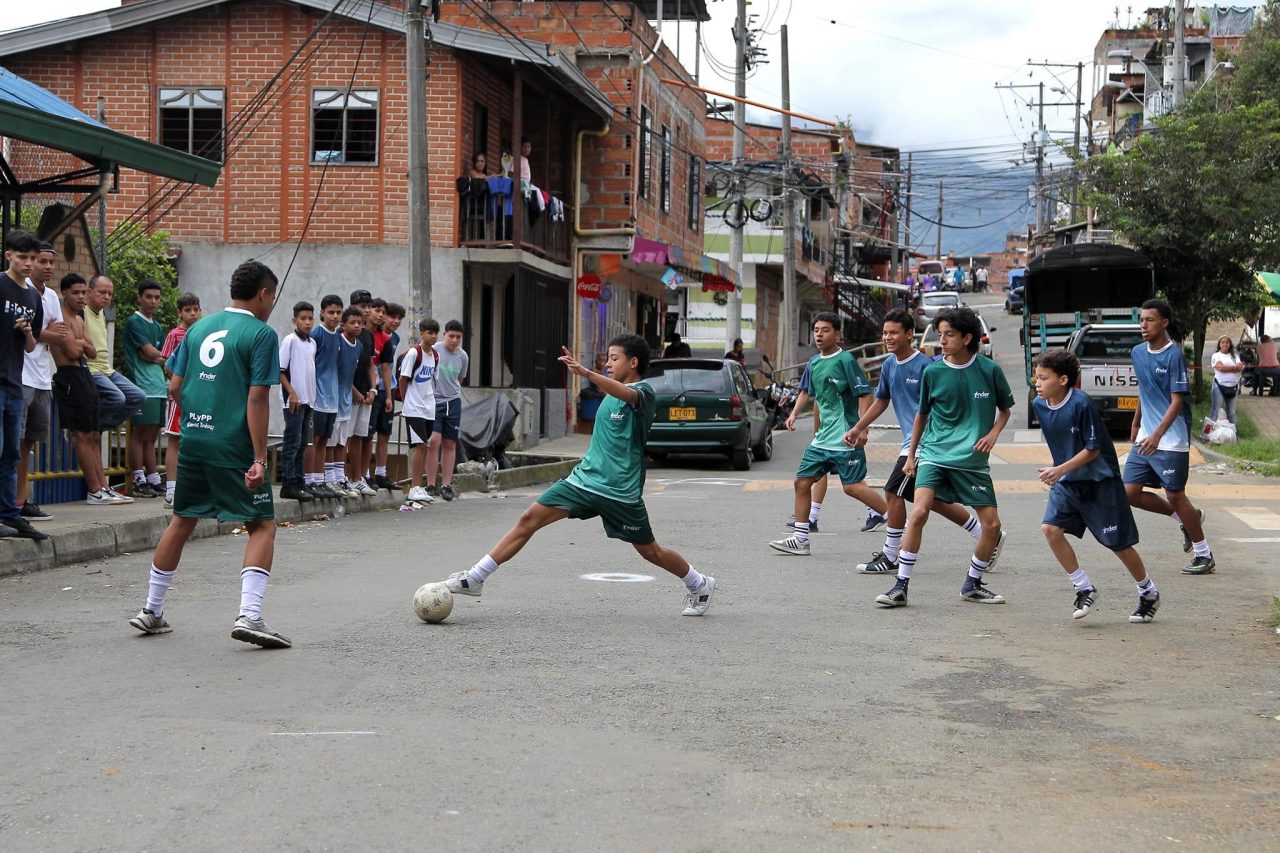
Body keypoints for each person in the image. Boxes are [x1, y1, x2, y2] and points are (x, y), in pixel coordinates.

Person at [437, 336, 716, 617]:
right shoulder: (609, 395)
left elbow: (627, 394)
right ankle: (476, 577)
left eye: (614, 358)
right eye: (607, 358)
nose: (607, 363)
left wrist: (586, 373)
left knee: (650, 552)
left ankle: (699, 583)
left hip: (619, 491)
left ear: (633, 362)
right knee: (528, 519)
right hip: (583, 481)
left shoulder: (644, 394)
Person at [128, 259, 291, 648]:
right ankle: (249, 615)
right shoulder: (261, 334)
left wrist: (200, 416)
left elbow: (175, 387)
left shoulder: (198, 328)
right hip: (232, 444)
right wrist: (258, 456)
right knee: (261, 524)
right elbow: (256, 397)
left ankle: (151, 610)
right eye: (273, 296)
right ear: (264, 293)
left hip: (194, 439)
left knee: (182, 520)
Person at [874, 307, 1014, 607]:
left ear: (967, 337)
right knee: (920, 512)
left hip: (972, 461)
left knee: (992, 526)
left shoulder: (989, 371)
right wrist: (911, 456)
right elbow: (921, 417)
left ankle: (972, 584)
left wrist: (992, 434)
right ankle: (900, 586)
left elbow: (1005, 411)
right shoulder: (933, 371)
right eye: (941, 334)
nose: (942, 340)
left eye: (949, 335)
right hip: (934, 455)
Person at [844, 309, 994, 575]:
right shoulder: (890, 364)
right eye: (885, 332)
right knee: (927, 499)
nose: (887, 337)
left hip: (929, 443)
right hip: (912, 442)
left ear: (909, 334)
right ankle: (985, 534)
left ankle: (891, 556)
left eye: (893, 332)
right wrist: (858, 426)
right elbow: (881, 400)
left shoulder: (926, 366)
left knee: (893, 491)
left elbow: (940, 406)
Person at [1033, 350, 1161, 623]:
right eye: (1037, 377)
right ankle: (1084, 587)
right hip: (1068, 482)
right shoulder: (1039, 405)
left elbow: (1092, 450)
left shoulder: (1081, 404)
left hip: (1099, 481)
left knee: (1118, 544)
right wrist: (1061, 471)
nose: (1038, 383)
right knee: (1050, 529)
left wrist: (1059, 469)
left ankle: (1148, 592)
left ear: (1064, 379)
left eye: (1044, 378)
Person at [768, 312, 887, 557]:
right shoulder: (813, 363)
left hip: (846, 437)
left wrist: (863, 427)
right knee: (801, 482)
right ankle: (801, 539)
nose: (819, 335)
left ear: (837, 334)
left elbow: (865, 394)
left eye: (825, 330)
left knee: (852, 487)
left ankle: (898, 522)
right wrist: (792, 414)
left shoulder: (846, 361)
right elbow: (805, 392)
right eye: (816, 330)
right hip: (822, 439)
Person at [1124, 299, 1215, 575]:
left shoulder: (1173, 355)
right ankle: (1189, 519)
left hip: (1171, 440)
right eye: (1141, 320)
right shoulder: (1138, 352)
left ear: (1164, 323)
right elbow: (1144, 390)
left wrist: (1157, 435)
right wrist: (1137, 421)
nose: (1143, 325)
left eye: (1149, 320)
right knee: (1129, 493)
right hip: (1146, 438)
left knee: (1175, 495)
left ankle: (1204, 554)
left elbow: (1176, 402)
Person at [51, 273, 119, 506]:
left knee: (93, 433)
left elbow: (92, 352)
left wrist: (80, 344)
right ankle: (93, 489)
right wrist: (81, 344)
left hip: (84, 374)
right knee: (82, 433)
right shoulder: (59, 317)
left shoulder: (80, 319)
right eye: (75, 293)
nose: (80, 297)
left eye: (82, 292)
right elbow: (71, 352)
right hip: (69, 376)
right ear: (64, 294)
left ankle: (103, 487)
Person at [0, 230, 49, 540]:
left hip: (15, 383)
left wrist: (27, 332)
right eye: (22, 257)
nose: (29, 263)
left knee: (11, 453)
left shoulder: (33, 296)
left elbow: (32, 346)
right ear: (9, 256)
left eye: (32, 258)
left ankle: (9, 514)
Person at [15, 241, 63, 522]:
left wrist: (45, 332)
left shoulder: (52, 296)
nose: (45, 267)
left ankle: (21, 501)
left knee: (29, 442)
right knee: (14, 442)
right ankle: (11, 502)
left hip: (44, 377)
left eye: (48, 262)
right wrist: (46, 332)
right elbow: (40, 332)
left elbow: (61, 334)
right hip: (20, 375)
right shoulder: (21, 292)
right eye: (39, 261)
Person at [84, 274, 146, 438]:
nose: (107, 297)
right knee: (117, 398)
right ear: (88, 292)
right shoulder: (81, 312)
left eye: (110, 294)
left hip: (106, 370)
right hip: (91, 369)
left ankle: (97, 426)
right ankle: (87, 425)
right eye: (102, 292)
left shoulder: (102, 313)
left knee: (138, 397)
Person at [125, 279, 170, 498]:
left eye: (157, 297)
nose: (153, 301)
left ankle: (153, 478)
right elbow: (151, 353)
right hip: (142, 385)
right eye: (149, 297)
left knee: (153, 435)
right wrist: (158, 356)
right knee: (140, 433)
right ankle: (138, 479)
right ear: (139, 298)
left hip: (159, 385)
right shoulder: (134, 322)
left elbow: (159, 355)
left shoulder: (157, 326)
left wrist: (156, 356)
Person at [159, 292, 202, 506]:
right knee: (175, 438)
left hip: (199, 394)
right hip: (180, 395)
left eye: (196, 309)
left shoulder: (203, 333)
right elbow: (168, 364)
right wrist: (180, 384)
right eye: (188, 310)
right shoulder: (175, 335)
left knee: (194, 439)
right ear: (180, 313)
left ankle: (191, 486)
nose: (193, 314)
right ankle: (171, 490)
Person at [426, 319, 469, 501]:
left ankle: (446, 484)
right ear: (444, 335)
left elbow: (460, 378)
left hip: (453, 402)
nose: (454, 340)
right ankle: (430, 484)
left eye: (458, 337)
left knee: (450, 443)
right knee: (433, 441)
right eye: (451, 336)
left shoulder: (463, 356)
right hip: (434, 401)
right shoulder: (434, 350)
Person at [278, 301, 317, 502]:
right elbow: (281, 370)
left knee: (303, 444)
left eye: (310, 318)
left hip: (308, 400)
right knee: (291, 443)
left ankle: (300, 482)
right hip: (293, 401)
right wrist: (292, 393)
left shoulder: (311, 343)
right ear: (295, 320)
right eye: (303, 319)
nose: (307, 322)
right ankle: (288, 483)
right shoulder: (290, 341)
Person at [307, 294, 343, 498]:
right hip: (317, 398)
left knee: (324, 441)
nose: (335, 316)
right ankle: (310, 479)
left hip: (332, 399)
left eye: (338, 313)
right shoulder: (316, 335)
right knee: (314, 439)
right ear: (322, 312)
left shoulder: (337, 336)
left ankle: (320, 480)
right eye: (331, 312)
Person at [400, 318, 439, 504]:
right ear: (422, 333)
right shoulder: (414, 353)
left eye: (435, 333)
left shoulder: (435, 355)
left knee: (426, 446)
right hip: (414, 407)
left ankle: (418, 485)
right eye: (429, 332)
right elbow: (403, 378)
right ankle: (414, 487)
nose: (433, 336)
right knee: (420, 445)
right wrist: (406, 400)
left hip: (428, 407)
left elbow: (432, 380)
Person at [344, 290, 378, 497]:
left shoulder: (368, 336)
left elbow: (371, 365)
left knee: (362, 436)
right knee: (346, 438)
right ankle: (348, 477)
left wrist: (373, 389)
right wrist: (355, 392)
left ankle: (359, 477)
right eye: (362, 306)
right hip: (349, 394)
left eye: (369, 306)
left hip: (366, 394)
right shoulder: (345, 337)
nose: (366, 310)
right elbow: (343, 370)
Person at [365, 298, 400, 491]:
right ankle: (364, 474)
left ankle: (380, 473)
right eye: (377, 310)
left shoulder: (388, 339)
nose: (381, 315)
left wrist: (388, 395)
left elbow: (386, 369)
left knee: (384, 433)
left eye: (383, 312)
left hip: (384, 389)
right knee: (365, 435)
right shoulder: (361, 333)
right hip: (366, 389)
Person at [330, 306, 365, 497]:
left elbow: (350, 375)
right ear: (343, 324)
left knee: (343, 438)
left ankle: (340, 476)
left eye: (360, 323)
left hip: (346, 399)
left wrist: (354, 392)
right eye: (352, 322)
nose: (357, 326)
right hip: (332, 397)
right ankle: (329, 478)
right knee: (331, 439)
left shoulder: (358, 346)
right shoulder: (338, 341)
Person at [1210, 335, 1243, 426]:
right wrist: (1233, 368)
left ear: (1230, 344)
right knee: (1216, 410)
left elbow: (1239, 368)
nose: (1225, 344)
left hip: (1233, 387)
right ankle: (1210, 433)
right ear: (1219, 344)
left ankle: (1233, 434)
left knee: (1231, 412)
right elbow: (1220, 368)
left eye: (1227, 342)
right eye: (1222, 342)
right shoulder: (1216, 355)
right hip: (1219, 386)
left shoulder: (1235, 356)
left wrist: (1229, 368)